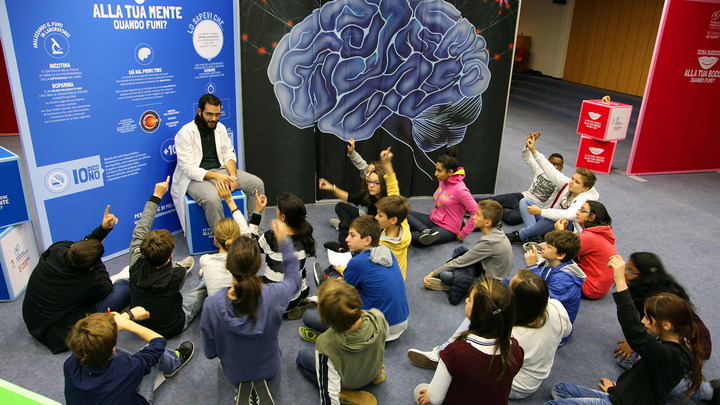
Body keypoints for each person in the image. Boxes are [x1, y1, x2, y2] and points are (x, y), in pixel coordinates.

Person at [546, 255, 704, 404]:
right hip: (621, 394)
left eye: (648, 318)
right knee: (560, 389)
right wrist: (616, 389)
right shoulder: (669, 340)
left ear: (667, 325)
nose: (643, 321)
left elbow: (634, 331)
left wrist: (620, 280)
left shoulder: (672, 356)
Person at [407, 271, 571, 400]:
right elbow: (567, 332)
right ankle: (445, 353)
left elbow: (484, 366)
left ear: (514, 302)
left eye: (509, 289)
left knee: (424, 389)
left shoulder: (509, 334)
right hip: (532, 376)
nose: (506, 288)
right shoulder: (556, 307)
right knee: (480, 309)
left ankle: (445, 356)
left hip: (513, 385)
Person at [201, 220, 301, 405]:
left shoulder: (211, 305)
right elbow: (294, 280)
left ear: (227, 266)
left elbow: (210, 353)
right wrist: (285, 243)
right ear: (257, 267)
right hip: (269, 368)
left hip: (233, 372)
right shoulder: (273, 295)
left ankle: (243, 384)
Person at [22, 205, 130, 354]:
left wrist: (102, 230)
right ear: (89, 268)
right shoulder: (87, 282)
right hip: (57, 331)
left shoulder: (58, 249)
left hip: (33, 316)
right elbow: (106, 286)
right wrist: (96, 259)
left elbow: (82, 246)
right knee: (125, 290)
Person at [613, 252, 713, 400]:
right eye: (627, 268)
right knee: (634, 363)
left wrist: (634, 343)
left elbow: (636, 331)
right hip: (674, 338)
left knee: (636, 365)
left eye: (631, 271)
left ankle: (706, 390)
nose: (626, 273)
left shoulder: (656, 299)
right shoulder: (650, 288)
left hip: (695, 345)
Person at [413, 277, 523, 405]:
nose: (466, 301)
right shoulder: (515, 349)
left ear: (479, 314)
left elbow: (435, 399)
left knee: (420, 390)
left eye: (470, 300)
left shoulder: (455, 353)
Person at [302, 216, 409, 341]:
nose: (347, 239)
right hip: (401, 323)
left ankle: (336, 339)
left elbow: (342, 296)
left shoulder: (358, 262)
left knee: (309, 316)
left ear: (367, 240)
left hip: (379, 330)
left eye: (352, 236)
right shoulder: (386, 251)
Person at [171, 93, 264, 233]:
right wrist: (216, 177)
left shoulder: (220, 128)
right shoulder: (185, 134)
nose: (213, 119)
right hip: (196, 177)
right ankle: (224, 243)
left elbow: (229, 154)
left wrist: (232, 176)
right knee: (212, 199)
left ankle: (256, 233)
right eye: (209, 114)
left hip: (221, 171)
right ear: (199, 111)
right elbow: (188, 168)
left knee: (256, 184)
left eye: (217, 115)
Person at [129, 176, 207, 338]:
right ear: (171, 255)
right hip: (172, 326)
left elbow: (142, 227)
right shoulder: (177, 274)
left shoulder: (135, 262)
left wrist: (156, 195)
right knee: (203, 288)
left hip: (141, 323)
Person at [63, 310, 194, 405]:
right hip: (133, 395)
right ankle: (175, 362)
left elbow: (96, 343)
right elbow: (158, 342)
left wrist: (125, 317)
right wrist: (128, 324)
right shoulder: (126, 367)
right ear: (112, 349)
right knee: (153, 355)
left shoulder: (70, 365)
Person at [296, 279, 388, 405]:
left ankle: (344, 392)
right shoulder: (377, 316)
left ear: (328, 320)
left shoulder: (325, 345)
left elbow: (328, 399)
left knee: (302, 356)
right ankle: (378, 373)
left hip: (348, 381)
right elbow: (382, 341)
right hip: (372, 369)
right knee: (308, 317)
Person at [506, 136, 598, 244]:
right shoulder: (567, 184)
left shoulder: (586, 200)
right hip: (552, 222)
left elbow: (568, 215)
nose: (572, 182)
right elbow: (549, 169)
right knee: (525, 202)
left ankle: (521, 235)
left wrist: (541, 211)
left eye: (577, 182)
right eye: (573, 178)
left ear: (585, 188)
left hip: (567, 230)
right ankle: (534, 237)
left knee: (556, 218)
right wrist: (534, 151)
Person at [422, 200, 513, 305]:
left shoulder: (489, 242)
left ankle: (451, 285)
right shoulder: (497, 233)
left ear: (488, 222)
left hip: (489, 284)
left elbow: (461, 261)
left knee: (445, 275)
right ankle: (457, 280)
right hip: (486, 268)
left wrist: (433, 273)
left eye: (478, 215)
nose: (473, 217)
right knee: (460, 249)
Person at [249, 189, 316, 319]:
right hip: (294, 300)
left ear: (283, 217)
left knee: (248, 280)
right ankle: (299, 301)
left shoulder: (271, 237)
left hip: (272, 302)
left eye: (277, 208)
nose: (276, 210)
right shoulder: (305, 235)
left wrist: (257, 212)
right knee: (299, 267)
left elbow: (250, 244)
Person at [475, 132, 564, 225]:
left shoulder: (562, 181)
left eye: (560, 165)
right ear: (546, 162)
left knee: (510, 218)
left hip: (532, 207)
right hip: (522, 197)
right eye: (553, 163)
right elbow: (527, 157)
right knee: (489, 200)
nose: (556, 167)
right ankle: (462, 200)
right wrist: (528, 145)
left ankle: (495, 210)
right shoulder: (540, 169)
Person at [319, 140, 386, 252]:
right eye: (369, 178)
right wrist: (331, 187)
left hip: (373, 231)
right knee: (340, 206)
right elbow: (351, 197)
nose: (368, 178)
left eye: (375, 182)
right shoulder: (369, 191)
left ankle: (343, 234)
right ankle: (344, 225)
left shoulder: (387, 201)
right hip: (366, 220)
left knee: (344, 235)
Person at [407, 146, 478, 247]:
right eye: (436, 169)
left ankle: (421, 231)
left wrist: (464, 232)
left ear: (450, 172)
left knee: (414, 238)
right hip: (434, 219)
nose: (436, 173)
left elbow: (476, 211)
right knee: (402, 211)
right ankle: (425, 230)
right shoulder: (443, 181)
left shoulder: (461, 190)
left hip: (448, 228)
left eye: (439, 171)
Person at [522, 230, 585, 343]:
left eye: (549, 246)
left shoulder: (564, 279)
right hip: (543, 308)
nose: (543, 246)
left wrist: (532, 267)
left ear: (560, 255)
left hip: (555, 326)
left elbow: (542, 298)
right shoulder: (551, 263)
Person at [199, 182, 251, 297]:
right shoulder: (247, 255)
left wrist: (203, 272)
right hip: (242, 304)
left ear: (216, 239)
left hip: (216, 309)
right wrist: (229, 200)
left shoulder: (205, 260)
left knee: (203, 282)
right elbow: (244, 229)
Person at [556, 201, 616, 299]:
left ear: (592, 217)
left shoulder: (590, 236)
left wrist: (559, 232)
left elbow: (562, 250)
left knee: (552, 258)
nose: (577, 213)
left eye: (582, 210)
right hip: (600, 286)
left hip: (591, 288)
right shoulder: (601, 231)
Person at [374, 147, 411, 279]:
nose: (375, 217)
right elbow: (393, 188)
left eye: (380, 215)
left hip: (385, 286)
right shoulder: (403, 225)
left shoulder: (381, 246)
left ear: (393, 220)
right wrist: (388, 163)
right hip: (400, 279)